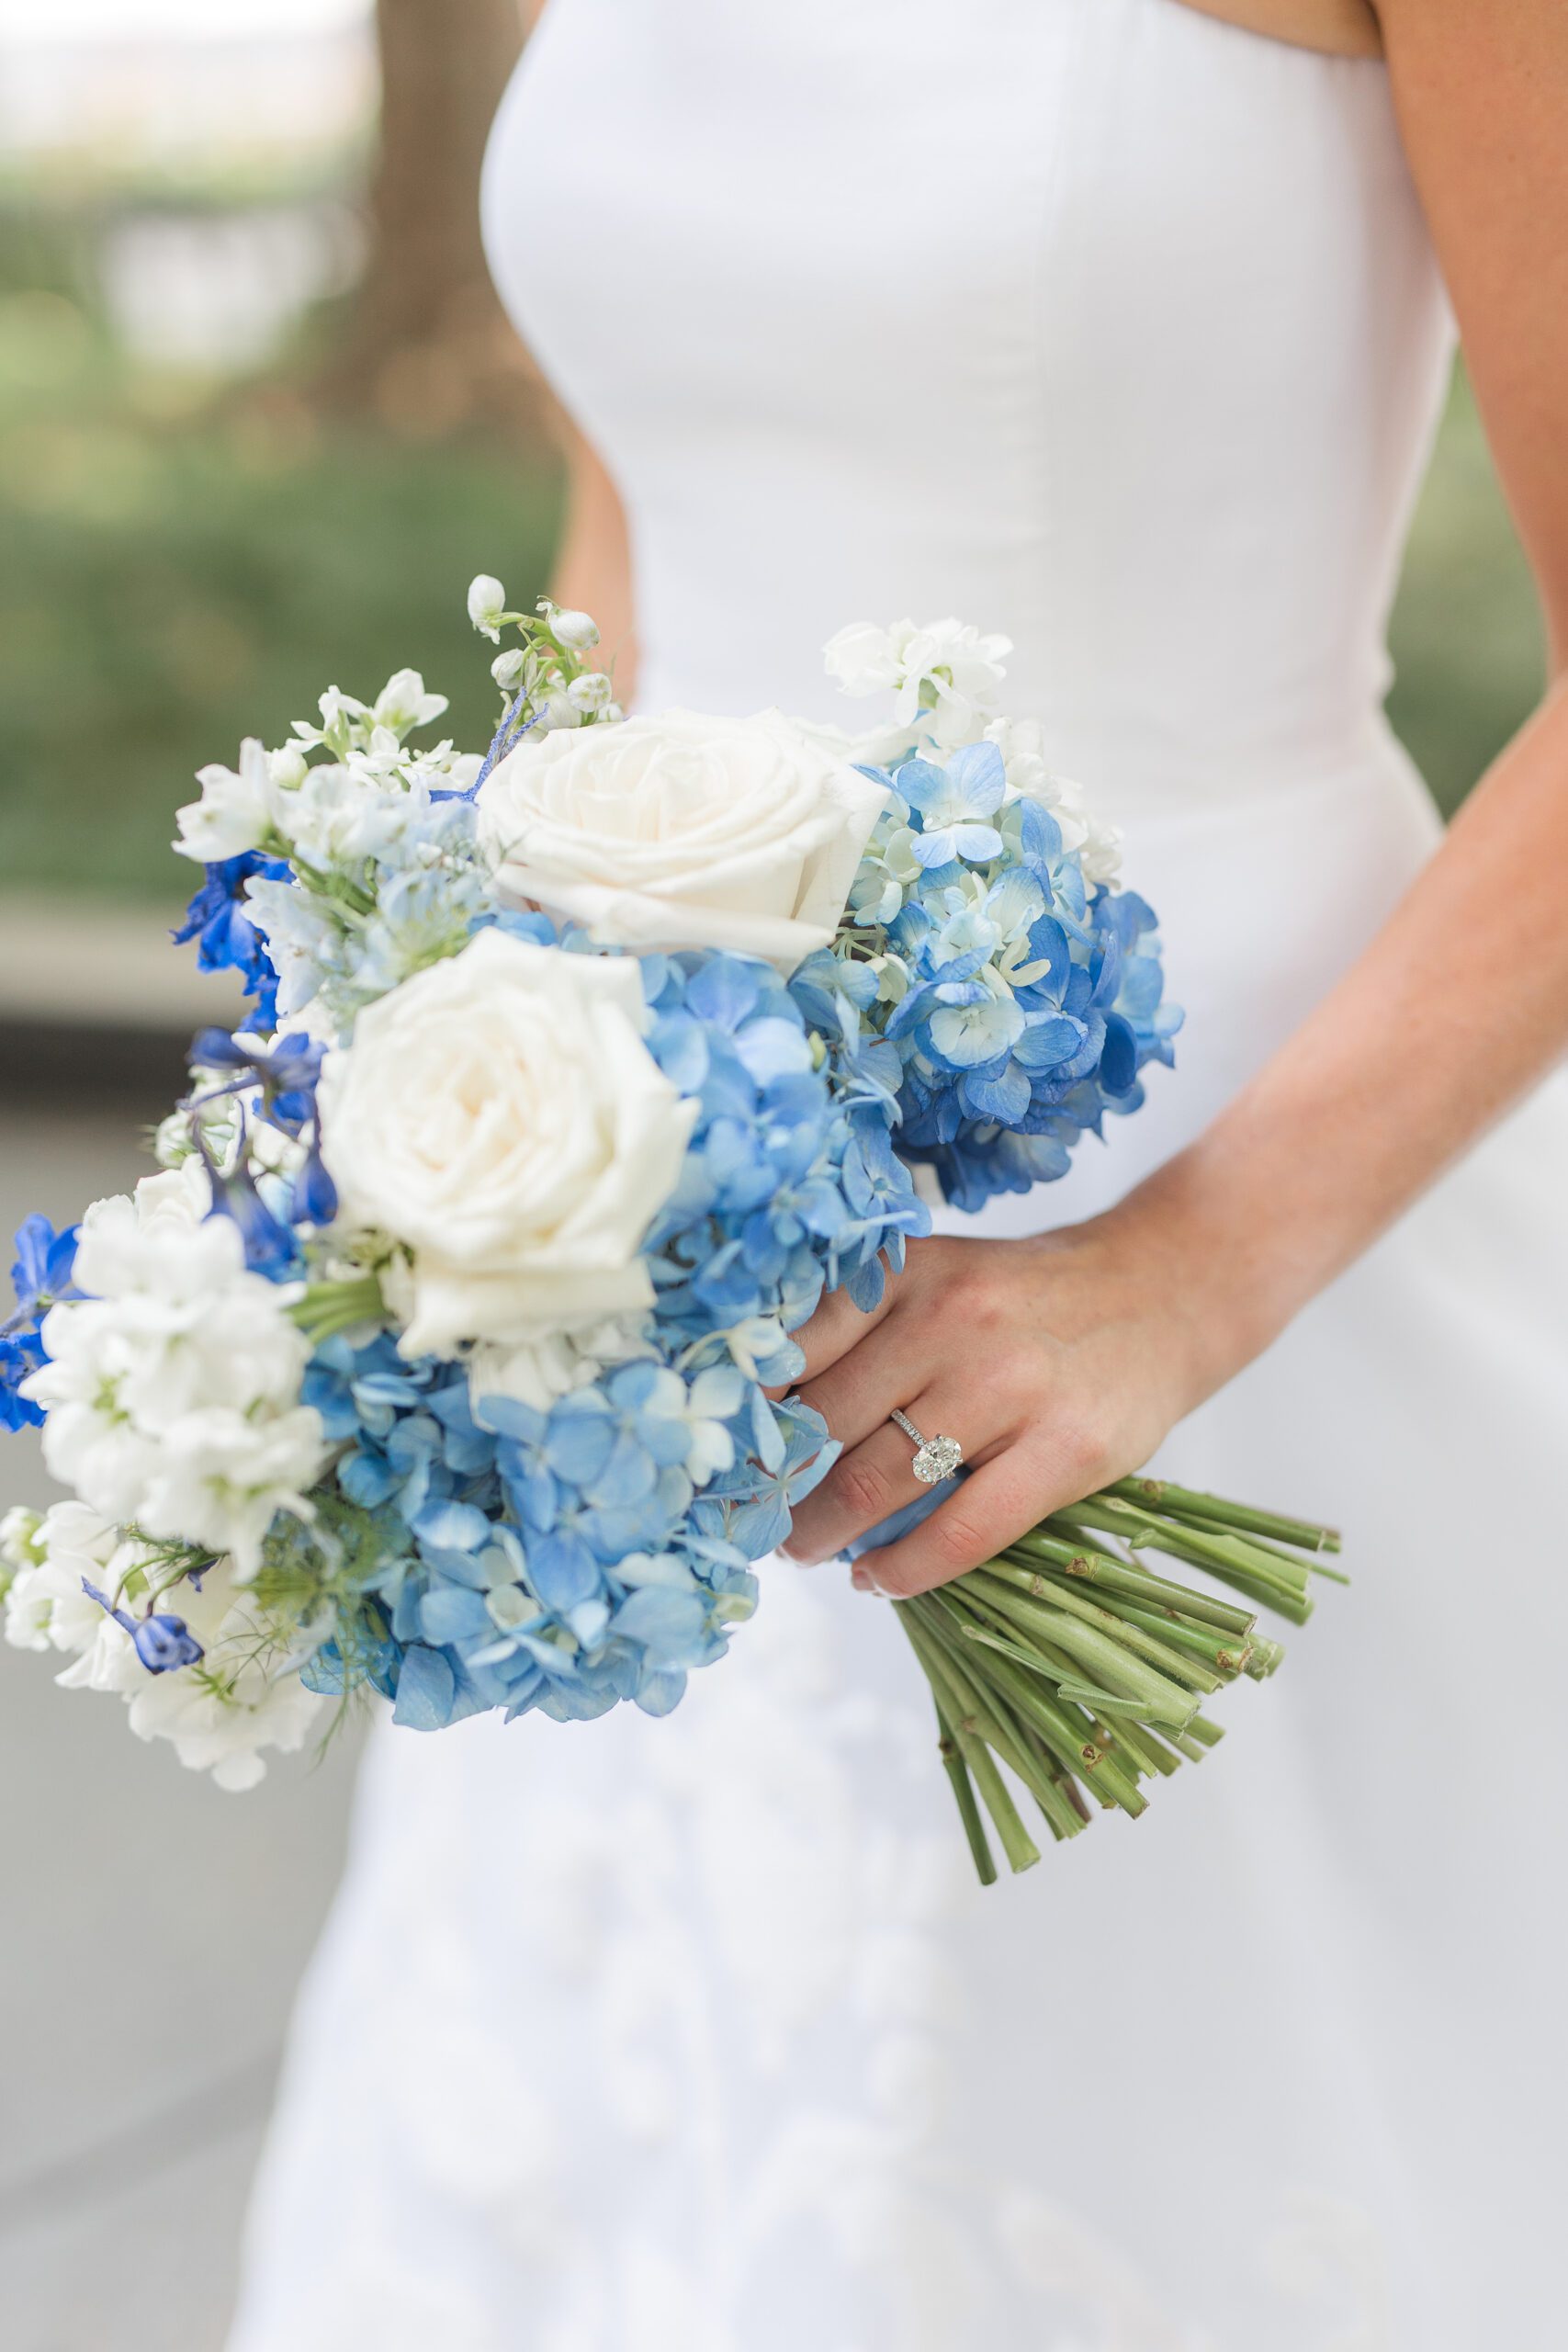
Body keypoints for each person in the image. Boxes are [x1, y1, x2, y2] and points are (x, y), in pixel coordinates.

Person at [228, 5, 1568, 2346]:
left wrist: (1184, 1267)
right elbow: (636, 527)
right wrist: (486, 1088)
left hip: (1229, 1177)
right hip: (653, 1232)